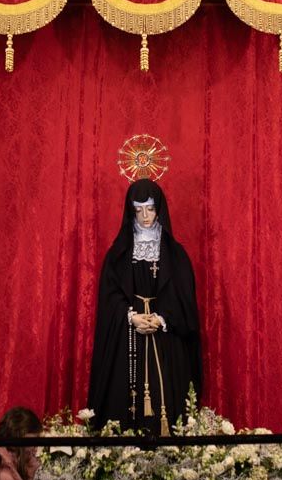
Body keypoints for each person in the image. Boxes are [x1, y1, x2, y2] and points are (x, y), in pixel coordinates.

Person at [86, 178, 202, 433]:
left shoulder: (175, 254)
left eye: (149, 208)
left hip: (165, 340)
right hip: (128, 339)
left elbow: (184, 300)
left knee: (170, 404)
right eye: (138, 210)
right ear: (131, 211)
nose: (145, 216)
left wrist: (162, 319)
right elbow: (109, 298)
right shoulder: (119, 254)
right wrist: (131, 317)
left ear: (159, 208)